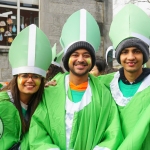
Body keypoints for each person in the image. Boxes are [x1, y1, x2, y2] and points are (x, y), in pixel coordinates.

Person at [29, 9, 123, 150]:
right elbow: (38, 132)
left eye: (86, 55)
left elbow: (113, 133)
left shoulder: (104, 95)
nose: (80, 59)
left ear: (92, 60)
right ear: (67, 59)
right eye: (75, 54)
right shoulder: (50, 91)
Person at [99, 4, 150, 149]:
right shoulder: (104, 84)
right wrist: (52, 85)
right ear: (118, 55)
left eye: (136, 51)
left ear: (145, 55)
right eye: (125, 51)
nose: (131, 57)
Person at [0, 24, 52, 149]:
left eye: (35, 76)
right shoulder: (2, 102)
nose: (30, 80)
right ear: (16, 78)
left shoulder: (42, 103)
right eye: (24, 76)